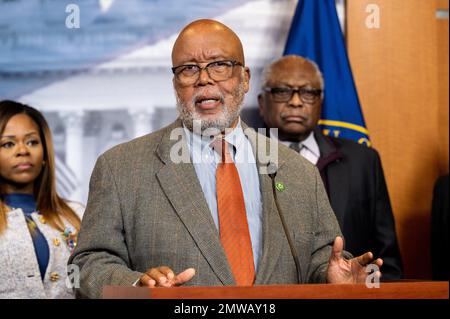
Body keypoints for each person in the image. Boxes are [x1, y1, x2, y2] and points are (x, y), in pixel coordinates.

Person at [69, 19, 383, 299]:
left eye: (219, 65)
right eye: (189, 69)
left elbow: (319, 260)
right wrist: (137, 287)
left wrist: (332, 280)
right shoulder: (120, 167)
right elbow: (88, 265)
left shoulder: (297, 170)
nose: (204, 79)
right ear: (176, 83)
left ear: (245, 79)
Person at [258, 55, 402, 280]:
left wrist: (367, 287)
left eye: (308, 93)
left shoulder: (363, 161)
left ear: (320, 103)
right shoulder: (239, 161)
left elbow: (388, 262)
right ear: (261, 103)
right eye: (282, 91)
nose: (296, 101)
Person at [0, 100, 84, 298]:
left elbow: (90, 283)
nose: (23, 151)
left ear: (45, 153)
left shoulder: (77, 215)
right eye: (8, 144)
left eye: (32, 142)